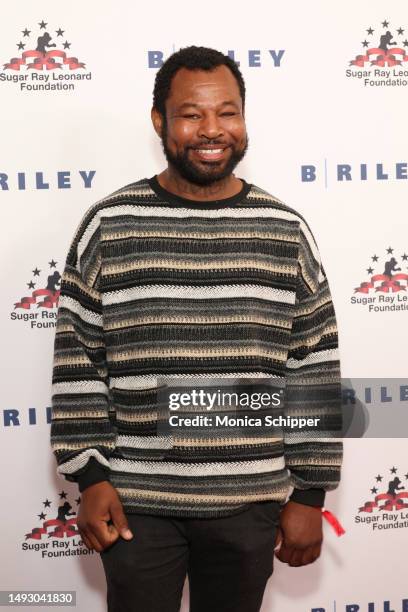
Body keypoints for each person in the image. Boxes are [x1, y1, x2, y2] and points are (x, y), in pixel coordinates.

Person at [50, 45, 343, 612]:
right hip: (136, 508)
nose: (213, 130)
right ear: (160, 120)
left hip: (250, 503)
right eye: (191, 114)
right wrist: (89, 476)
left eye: (227, 113)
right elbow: (78, 358)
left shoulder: (284, 230)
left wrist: (309, 492)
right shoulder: (110, 225)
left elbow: (314, 364)